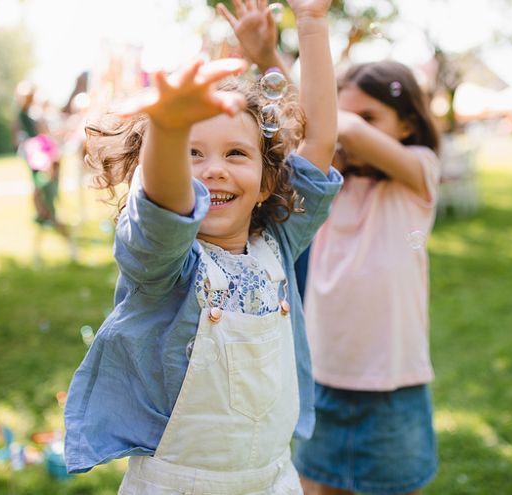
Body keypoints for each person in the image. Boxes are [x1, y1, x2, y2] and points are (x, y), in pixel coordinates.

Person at [63, 0, 339, 493]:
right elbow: (167, 207)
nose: (213, 169)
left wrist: (313, 24)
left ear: (267, 181)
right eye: (192, 153)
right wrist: (168, 127)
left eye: (236, 153)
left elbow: (317, 142)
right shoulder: (164, 262)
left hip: (274, 478)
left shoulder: (277, 238)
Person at [221, 6, 443, 494]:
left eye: (370, 115)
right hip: (321, 375)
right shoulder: (326, 186)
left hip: (393, 383)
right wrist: (266, 57)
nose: (349, 126)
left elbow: (332, 124)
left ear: (407, 126)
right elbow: (317, 124)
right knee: (316, 487)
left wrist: (318, 100)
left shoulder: (417, 174)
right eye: (345, 111)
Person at [13, 81, 77, 263]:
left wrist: (48, 170)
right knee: (44, 214)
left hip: (46, 173)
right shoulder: (25, 119)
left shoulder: (36, 121)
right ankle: (40, 254)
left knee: (48, 213)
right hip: (40, 171)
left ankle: (69, 247)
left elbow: (48, 148)